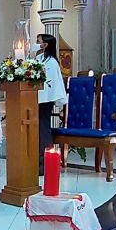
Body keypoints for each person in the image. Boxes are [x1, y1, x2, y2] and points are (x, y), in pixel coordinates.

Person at [35, 34, 67, 175]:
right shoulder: (39, 58)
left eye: (38, 42)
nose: (36, 43)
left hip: (45, 100)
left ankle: (44, 165)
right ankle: (35, 162)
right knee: (37, 130)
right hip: (35, 99)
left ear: (45, 45)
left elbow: (51, 83)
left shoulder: (51, 62)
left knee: (43, 129)